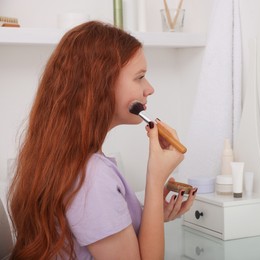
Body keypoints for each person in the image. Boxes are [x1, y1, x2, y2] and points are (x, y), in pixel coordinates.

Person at [7, 21, 197, 259]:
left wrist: (152, 213)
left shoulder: (69, 160)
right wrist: (155, 177)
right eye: (139, 77)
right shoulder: (92, 176)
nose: (149, 89)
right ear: (101, 85)